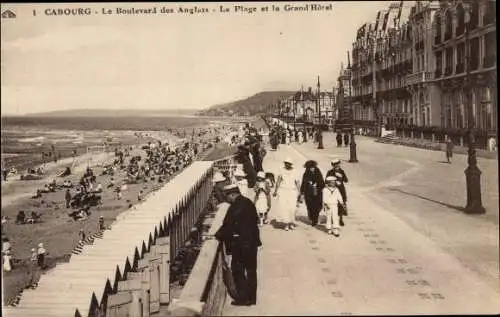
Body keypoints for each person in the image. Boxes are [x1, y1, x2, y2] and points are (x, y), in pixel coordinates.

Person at [215, 184, 261, 306]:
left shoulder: (235, 207)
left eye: (227, 196)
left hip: (241, 244)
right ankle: (252, 298)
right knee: (251, 271)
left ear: (232, 194)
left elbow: (228, 226)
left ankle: (243, 298)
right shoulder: (248, 202)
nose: (227, 199)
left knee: (238, 270)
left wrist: (217, 235)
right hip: (252, 243)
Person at [273, 157, 301, 231]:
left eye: (288, 163)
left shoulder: (295, 171)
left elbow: (297, 182)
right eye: (286, 163)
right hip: (283, 190)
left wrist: (300, 192)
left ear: (291, 164)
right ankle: (286, 224)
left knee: (292, 208)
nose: (287, 164)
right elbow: (278, 181)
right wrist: (275, 191)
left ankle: (291, 223)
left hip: (292, 191)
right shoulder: (281, 170)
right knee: (284, 207)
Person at [299, 160, 325, 227]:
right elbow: (303, 184)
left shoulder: (318, 172)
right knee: (310, 206)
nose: (312, 168)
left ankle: (314, 218)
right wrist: (302, 192)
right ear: (308, 168)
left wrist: (317, 184)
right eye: (310, 167)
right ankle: (313, 219)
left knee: (319, 206)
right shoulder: (306, 174)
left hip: (318, 193)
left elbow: (322, 183)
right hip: (309, 194)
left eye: (313, 167)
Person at [325, 158, 348, 225]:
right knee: (333, 204)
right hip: (332, 190)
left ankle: (340, 219)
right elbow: (326, 181)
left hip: (341, 190)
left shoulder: (342, 171)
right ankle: (333, 217)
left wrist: (341, 177)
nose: (337, 166)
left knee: (341, 204)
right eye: (335, 165)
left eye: (338, 164)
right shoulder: (330, 172)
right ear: (333, 165)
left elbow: (346, 180)